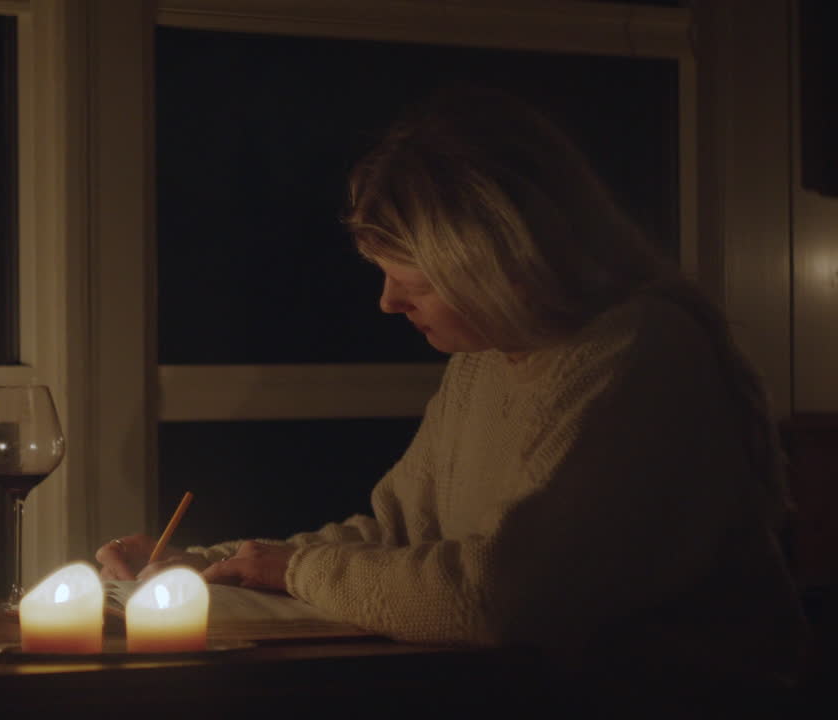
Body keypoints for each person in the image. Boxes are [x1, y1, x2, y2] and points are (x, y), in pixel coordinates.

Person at [96, 89, 809, 692]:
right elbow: (396, 533)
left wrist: (301, 569)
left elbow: (498, 598)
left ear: (498, 263)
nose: (386, 304)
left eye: (412, 282)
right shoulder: (489, 356)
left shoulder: (640, 352)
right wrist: (216, 568)